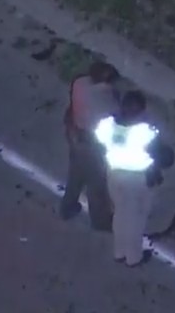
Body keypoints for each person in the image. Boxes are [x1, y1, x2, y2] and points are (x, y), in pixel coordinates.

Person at [94, 90, 175, 267]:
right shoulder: (144, 132)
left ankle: (119, 251)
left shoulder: (106, 125)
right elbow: (163, 155)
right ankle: (133, 257)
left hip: (114, 174)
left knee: (121, 215)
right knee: (136, 220)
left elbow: (99, 140)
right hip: (137, 180)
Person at [59, 61, 120, 230]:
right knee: (97, 184)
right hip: (92, 144)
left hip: (75, 134)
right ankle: (100, 221)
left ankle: (68, 206)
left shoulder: (80, 82)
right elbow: (115, 114)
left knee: (76, 174)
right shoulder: (104, 97)